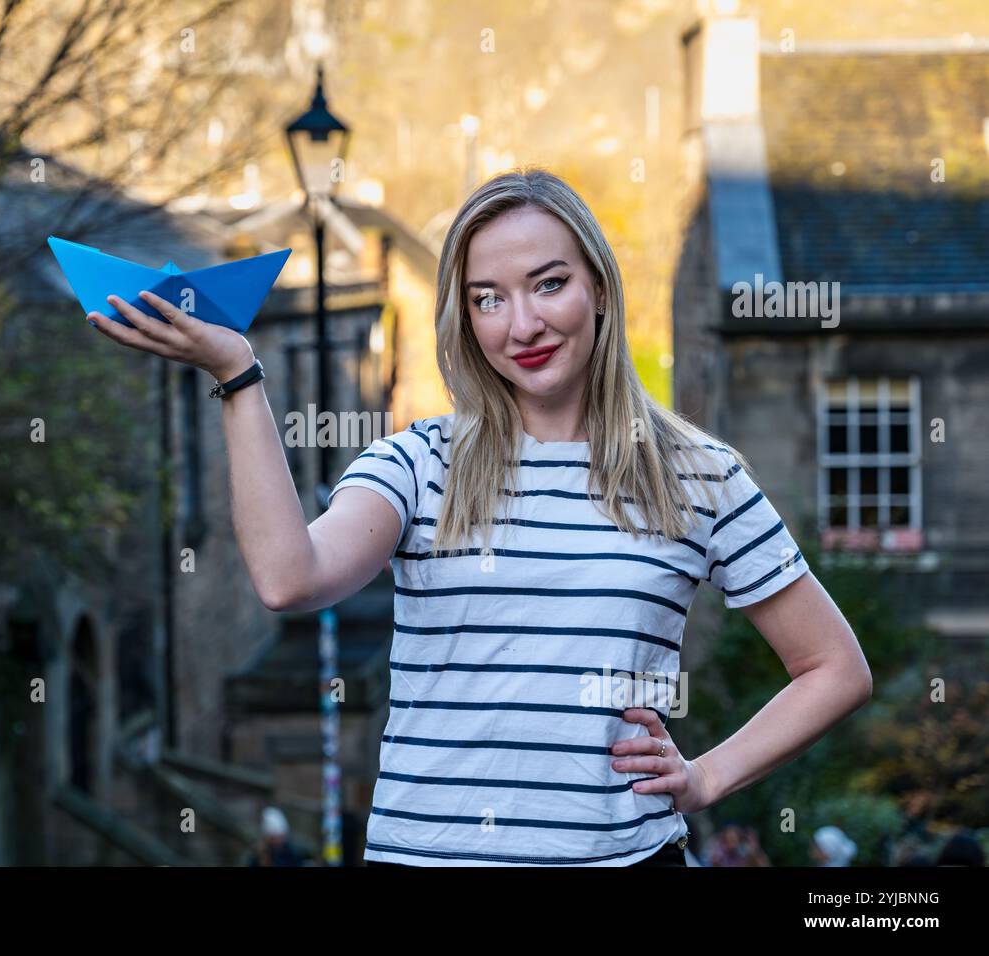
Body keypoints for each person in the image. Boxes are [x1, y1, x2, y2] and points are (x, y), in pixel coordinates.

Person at [83, 166, 873, 867]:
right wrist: (238, 377)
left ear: (599, 286)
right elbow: (290, 579)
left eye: (548, 284)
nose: (520, 325)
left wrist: (705, 777)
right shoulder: (418, 464)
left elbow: (835, 669)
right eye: (486, 299)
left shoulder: (698, 474)